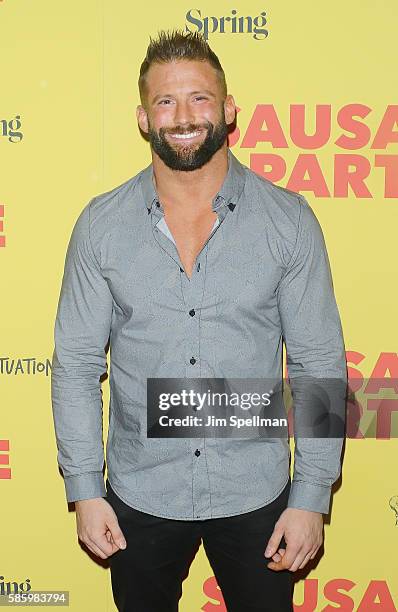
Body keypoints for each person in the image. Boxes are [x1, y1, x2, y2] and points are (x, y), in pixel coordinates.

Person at [51, 29, 347, 612]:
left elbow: (318, 364)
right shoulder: (101, 227)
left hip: (258, 493)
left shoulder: (287, 221)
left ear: (230, 109)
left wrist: (311, 496)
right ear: (143, 117)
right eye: (166, 101)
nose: (183, 116)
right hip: (139, 494)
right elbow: (77, 368)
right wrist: (85, 488)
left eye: (200, 98)